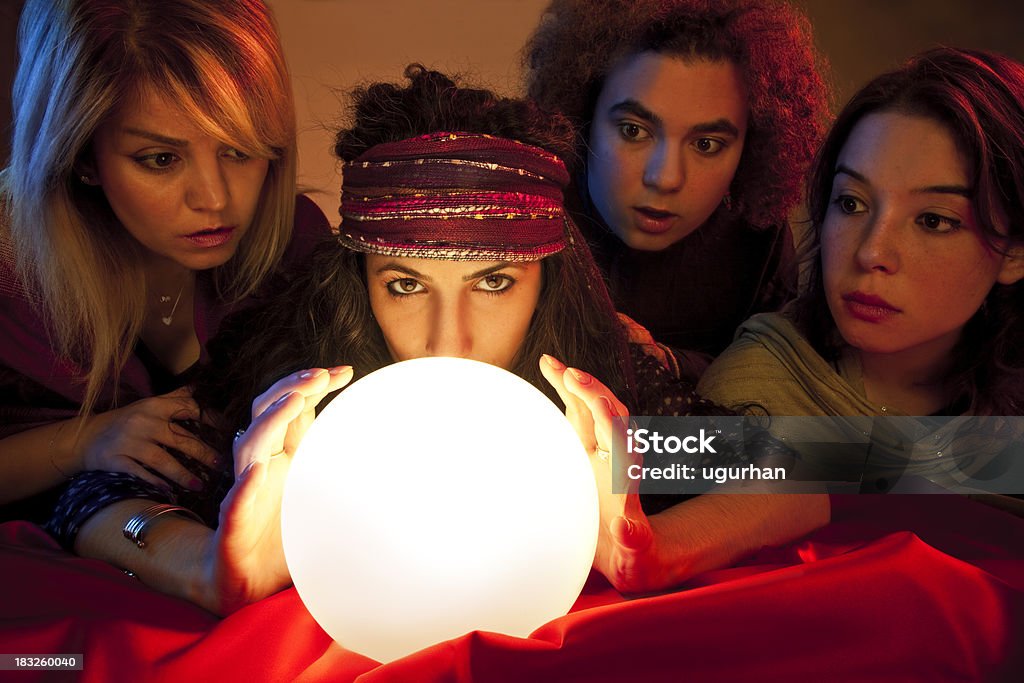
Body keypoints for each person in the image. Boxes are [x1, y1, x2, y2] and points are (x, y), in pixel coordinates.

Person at [190, 66, 824, 599]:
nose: (450, 341)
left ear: (547, 283)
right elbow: (110, 491)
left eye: (493, 283)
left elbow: (803, 473)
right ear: (360, 282)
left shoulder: (590, 415)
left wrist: (659, 552)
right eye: (405, 285)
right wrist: (203, 569)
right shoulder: (299, 414)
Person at [0, 0, 330, 523]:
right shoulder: (11, 268)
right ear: (82, 155)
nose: (214, 199)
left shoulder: (297, 241)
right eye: (160, 159)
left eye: (238, 150)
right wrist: (86, 440)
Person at [698, 48, 1024, 487]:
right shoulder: (748, 405)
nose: (872, 252)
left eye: (932, 220)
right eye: (851, 203)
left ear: (1014, 253)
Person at [523, 0, 830, 369]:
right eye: (633, 131)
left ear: (752, 146)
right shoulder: (525, 203)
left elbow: (770, 376)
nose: (665, 178)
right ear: (582, 114)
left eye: (706, 144)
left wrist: (672, 363)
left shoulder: (758, 239)